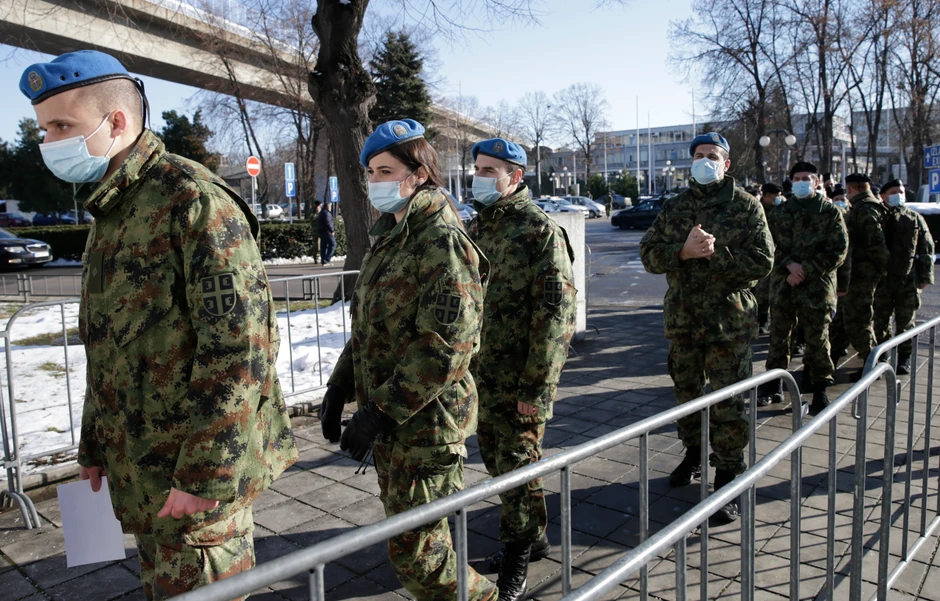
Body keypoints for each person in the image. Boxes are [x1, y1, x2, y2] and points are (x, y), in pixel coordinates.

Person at [19, 50, 298, 600]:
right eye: (43, 129)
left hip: (194, 483)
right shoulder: (114, 210)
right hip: (145, 472)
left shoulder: (191, 201)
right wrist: (93, 449)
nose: (49, 142)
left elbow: (240, 351)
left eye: (61, 126)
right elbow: (109, 348)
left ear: (115, 122)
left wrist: (205, 476)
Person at [317, 119, 497, 601]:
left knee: (421, 562)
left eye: (385, 171)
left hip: (428, 426)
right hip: (397, 426)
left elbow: (447, 346)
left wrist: (378, 411)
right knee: (417, 549)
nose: (374, 182)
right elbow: (370, 328)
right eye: (370, 172)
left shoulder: (441, 240)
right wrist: (339, 388)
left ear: (418, 174)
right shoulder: (392, 235)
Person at [639, 132, 774, 523]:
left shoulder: (746, 207)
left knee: (729, 401)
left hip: (728, 324)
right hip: (683, 321)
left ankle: (729, 476)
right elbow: (649, 254)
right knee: (686, 394)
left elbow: (763, 261)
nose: (704, 161)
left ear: (726, 163)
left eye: (712, 156)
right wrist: (681, 252)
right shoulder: (676, 206)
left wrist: (718, 255)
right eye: (698, 155)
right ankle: (694, 454)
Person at [466, 138, 577, 601]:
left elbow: (556, 322)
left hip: (519, 381)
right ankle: (535, 540)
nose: (480, 177)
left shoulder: (540, 233)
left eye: (491, 170)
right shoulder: (477, 227)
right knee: (501, 465)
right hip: (482, 377)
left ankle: (515, 562)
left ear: (516, 177)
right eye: (477, 169)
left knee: (514, 466)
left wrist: (537, 389)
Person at [756, 162, 847, 413]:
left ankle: (819, 389)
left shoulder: (829, 213)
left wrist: (805, 270)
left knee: (818, 339)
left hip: (817, 287)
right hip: (785, 284)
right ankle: (772, 386)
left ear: (816, 182)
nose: (801, 181)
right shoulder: (780, 213)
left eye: (807, 177)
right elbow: (768, 245)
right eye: (797, 178)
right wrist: (789, 266)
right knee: (778, 338)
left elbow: (838, 250)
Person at [829, 173, 889, 375]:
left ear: (852, 189)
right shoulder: (865, 206)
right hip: (855, 274)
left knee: (858, 320)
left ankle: (875, 362)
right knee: (844, 319)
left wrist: (880, 271)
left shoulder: (866, 210)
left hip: (862, 275)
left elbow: (876, 245)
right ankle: (831, 359)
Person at [872, 179, 934, 374]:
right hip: (882, 281)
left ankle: (904, 359)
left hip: (908, 279)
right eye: (893, 192)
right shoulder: (877, 217)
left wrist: (925, 276)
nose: (898, 195)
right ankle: (881, 357)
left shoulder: (914, 218)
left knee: (905, 322)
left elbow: (926, 248)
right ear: (882, 196)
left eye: (901, 191)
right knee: (880, 321)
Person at [755, 182, 784, 335]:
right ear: (766, 196)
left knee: (778, 291)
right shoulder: (757, 209)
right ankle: (762, 320)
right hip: (762, 256)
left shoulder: (781, 210)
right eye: (776, 196)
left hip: (780, 257)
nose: (779, 199)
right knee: (762, 291)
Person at [318, 198, 336, 264]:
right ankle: (327, 259)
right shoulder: (327, 213)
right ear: (327, 206)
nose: (330, 207)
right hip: (327, 232)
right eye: (330, 206)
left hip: (322, 232)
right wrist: (332, 230)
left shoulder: (321, 212)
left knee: (324, 246)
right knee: (333, 245)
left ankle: (323, 260)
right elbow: (328, 223)